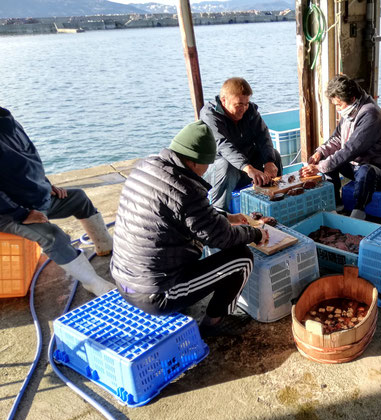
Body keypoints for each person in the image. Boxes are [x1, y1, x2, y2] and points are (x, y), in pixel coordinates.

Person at [110, 121, 269, 334]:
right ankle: (214, 322)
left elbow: (180, 214)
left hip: (123, 277)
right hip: (155, 294)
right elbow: (223, 238)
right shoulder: (186, 189)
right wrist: (255, 233)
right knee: (241, 258)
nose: (206, 171)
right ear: (194, 162)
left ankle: (184, 300)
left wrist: (228, 217)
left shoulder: (146, 166)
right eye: (207, 164)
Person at [0, 107, 114, 296]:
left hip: (35, 197)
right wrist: (22, 214)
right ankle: (92, 282)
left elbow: (30, 158)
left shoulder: (7, 119)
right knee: (53, 236)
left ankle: (105, 245)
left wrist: (46, 184)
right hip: (8, 213)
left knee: (78, 198)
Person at [300, 74, 381, 219]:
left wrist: (319, 168)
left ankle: (358, 211)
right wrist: (320, 153)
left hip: (377, 171)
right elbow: (337, 138)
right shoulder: (350, 110)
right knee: (327, 160)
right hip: (354, 166)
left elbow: (350, 150)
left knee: (365, 170)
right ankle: (337, 204)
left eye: (339, 105)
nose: (337, 109)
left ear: (352, 99)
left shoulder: (370, 114)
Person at [200, 77, 282, 211]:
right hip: (219, 169)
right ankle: (221, 213)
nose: (243, 109)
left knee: (275, 156)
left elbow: (263, 135)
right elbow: (223, 145)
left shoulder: (249, 110)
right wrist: (248, 168)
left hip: (245, 164)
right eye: (238, 105)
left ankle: (274, 199)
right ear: (224, 100)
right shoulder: (210, 115)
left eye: (246, 104)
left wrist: (269, 161)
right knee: (227, 166)